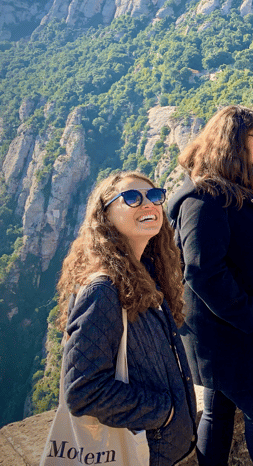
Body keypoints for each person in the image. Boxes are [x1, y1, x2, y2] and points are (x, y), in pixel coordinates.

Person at [168, 105, 253, 466]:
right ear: (236, 142)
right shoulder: (203, 198)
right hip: (230, 332)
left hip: (242, 327)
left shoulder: (248, 178)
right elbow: (203, 270)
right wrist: (251, 317)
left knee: (218, 408)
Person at [57, 171, 197, 466]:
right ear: (105, 215)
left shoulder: (145, 272)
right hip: (143, 451)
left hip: (162, 449)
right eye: (132, 198)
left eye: (154, 196)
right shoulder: (103, 290)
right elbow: (82, 390)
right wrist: (162, 413)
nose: (149, 204)